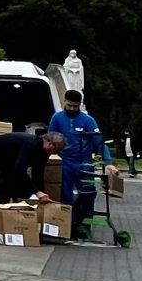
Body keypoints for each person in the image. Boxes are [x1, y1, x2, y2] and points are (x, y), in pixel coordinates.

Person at [48, 89, 110, 238]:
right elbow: (50, 139)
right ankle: (68, 223)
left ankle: (85, 224)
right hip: (65, 162)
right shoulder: (57, 118)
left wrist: (107, 162)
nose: (72, 109)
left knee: (88, 192)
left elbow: (98, 142)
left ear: (80, 105)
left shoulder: (88, 120)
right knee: (65, 194)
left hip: (84, 162)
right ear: (64, 102)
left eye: (75, 107)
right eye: (69, 106)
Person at [0, 128, 64, 205]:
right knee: (2, 184)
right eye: (57, 149)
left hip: (9, 156)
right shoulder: (31, 144)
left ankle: (15, 208)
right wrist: (37, 192)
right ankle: (2, 212)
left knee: (15, 183)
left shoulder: (45, 152)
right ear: (49, 143)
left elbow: (38, 173)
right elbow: (19, 170)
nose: (56, 152)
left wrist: (42, 194)